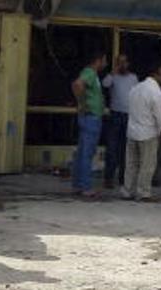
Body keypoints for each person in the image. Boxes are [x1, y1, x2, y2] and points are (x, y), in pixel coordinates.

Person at [122, 63, 161, 202]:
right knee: (147, 164)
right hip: (148, 133)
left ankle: (127, 190)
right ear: (155, 75)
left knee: (131, 164)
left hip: (132, 132)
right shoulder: (155, 91)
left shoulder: (135, 88)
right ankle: (143, 192)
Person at [70, 51, 107, 198]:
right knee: (87, 152)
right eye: (104, 60)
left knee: (82, 152)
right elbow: (77, 84)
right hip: (91, 117)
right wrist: (82, 103)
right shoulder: (90, 73)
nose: (106, 63)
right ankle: (85, 187)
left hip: (89, 116)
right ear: (98, 60)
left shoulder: (91, 74)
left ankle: (78, 184)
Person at [101, 54, 138, 189]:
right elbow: (104, 84)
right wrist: (113, 72)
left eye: (124, 62)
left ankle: (123, 178)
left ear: (128, 63)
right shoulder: (113, 76)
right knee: (112, 148)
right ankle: (109, 178)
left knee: (126, 149)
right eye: (119, 62)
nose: (122, 65)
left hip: (129, 115)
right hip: (115, 115)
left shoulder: (134, 78)